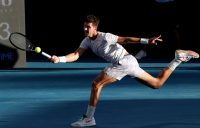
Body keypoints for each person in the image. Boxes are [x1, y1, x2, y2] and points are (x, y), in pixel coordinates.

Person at [50, 14, 199, 127]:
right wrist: (60, 59)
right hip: (127, 63)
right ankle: (178, 59)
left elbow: (126, 39)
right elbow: (76, 55)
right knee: (157, 84)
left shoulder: (106, 37)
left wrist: (147, 41)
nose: (85, 29)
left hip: (124, 62)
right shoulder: (86, 41)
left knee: (96, 84)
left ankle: (89, 118)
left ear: (95, 28)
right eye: (84, 26)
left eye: (88, 26)